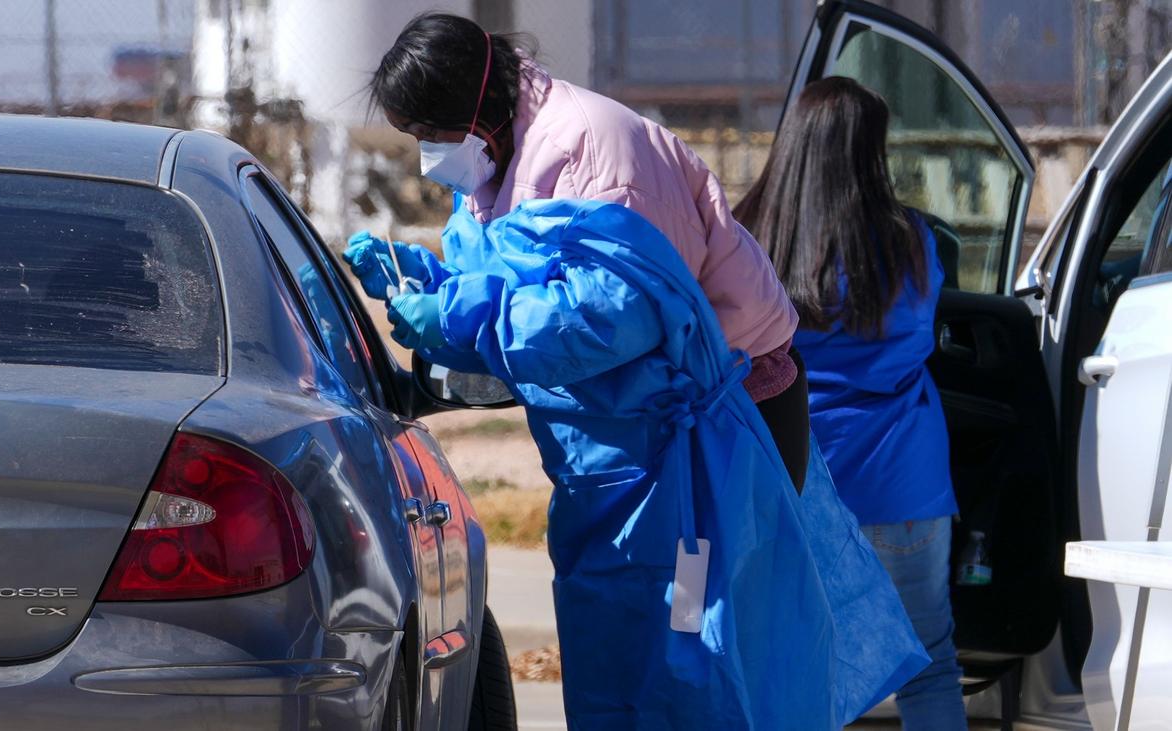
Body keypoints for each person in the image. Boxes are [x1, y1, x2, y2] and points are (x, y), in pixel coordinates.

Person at [354, 193, 928, 728]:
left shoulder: (604, 203)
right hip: (675, 480)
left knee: (692, 646)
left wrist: (456, 309)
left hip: (680, 487)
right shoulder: (577, 195)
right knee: (699, 643)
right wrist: (445, 295)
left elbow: (584, 325)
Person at [347, 12, 810, 489]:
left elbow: (614, 316)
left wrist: (459, 314)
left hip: (724, 396)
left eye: (426, 135)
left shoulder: (590, 150)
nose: (426, 156)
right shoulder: (489, 163)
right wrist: (426, 282)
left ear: (466, 110)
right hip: (635, 409)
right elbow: (506, 287)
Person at [734, 76, 966, 730]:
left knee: (794, 668)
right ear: (871, 151)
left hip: (791, 482)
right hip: (903, 485)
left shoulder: (748, 237)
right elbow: (919, 336)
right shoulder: (909, 240)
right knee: (930, 665)